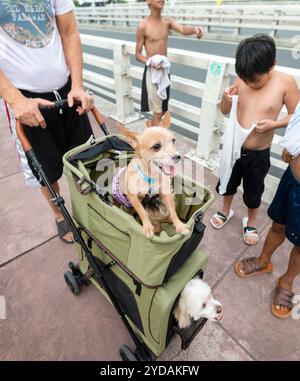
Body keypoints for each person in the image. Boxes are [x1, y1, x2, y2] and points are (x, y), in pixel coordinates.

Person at [0, 0, 94, 244]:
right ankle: (59, 213)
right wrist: (15, 100)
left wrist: (78, 84)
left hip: (67, 89)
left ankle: (92, 211)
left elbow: (69, 31)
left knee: (86, 158)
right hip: (24, 96)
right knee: (45, 167)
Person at [210, 34, 299, 246]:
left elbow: (297, 117)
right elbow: (225, 112)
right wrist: (225, 100)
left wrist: (273, 124)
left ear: (272, 65)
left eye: (255, 80)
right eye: (246, 79)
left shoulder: (285, 82)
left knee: (254, 190)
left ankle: (250, 221)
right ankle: (225, 210)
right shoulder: (243, 76)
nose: (249, 83)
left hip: (259, 152)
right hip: (233, 147)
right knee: (227, 181)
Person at [235, 103, 300, 319]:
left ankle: (287, 281)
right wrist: (293, 143)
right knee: (277, 224)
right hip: (293, 176)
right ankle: (263, 260)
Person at [135, 0, 204, 126]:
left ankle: (151, 128)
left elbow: (183, 29)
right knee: (157, 111)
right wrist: (151, 62)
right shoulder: (143, 26)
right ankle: (155, 139)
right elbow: (138, 55)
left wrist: (195, 29)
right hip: (153, 71)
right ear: (148, 1)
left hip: (165, 71)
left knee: (163, 109)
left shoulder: (167, 21)